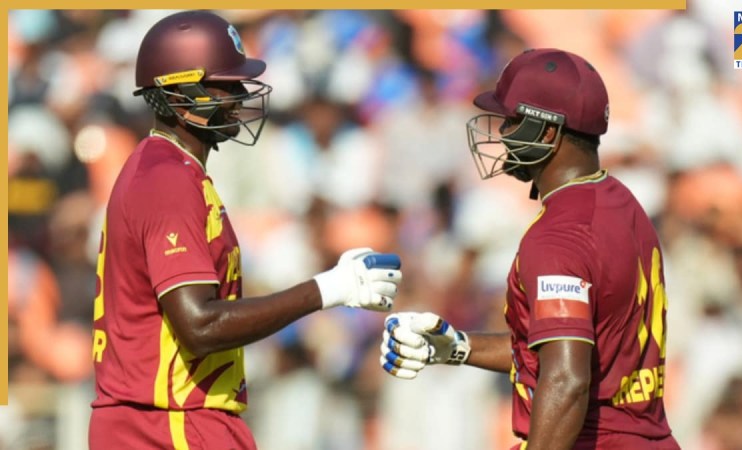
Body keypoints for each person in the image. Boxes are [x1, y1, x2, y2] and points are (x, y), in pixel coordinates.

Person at [88, 10, 402, 450]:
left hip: (164, 419)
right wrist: (328, 289)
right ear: (183, 90)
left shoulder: (171, 169)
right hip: (170, 422)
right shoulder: (168, 178)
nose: (239, 96)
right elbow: (199, 324)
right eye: (226, 84)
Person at [380, 48, 679, 450]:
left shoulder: (558, 236)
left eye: (513, 121)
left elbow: (567, 379)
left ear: (550, 132)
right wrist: (460, 348)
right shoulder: (620, 201)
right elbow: (562, 345)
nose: (502, 133)